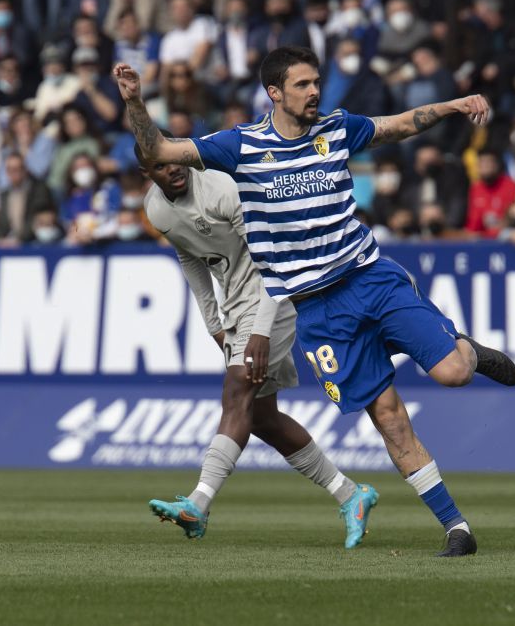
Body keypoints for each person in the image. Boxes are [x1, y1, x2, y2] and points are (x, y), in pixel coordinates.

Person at [113, 45, 515, 557]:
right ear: (274, 93)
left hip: (369, 278)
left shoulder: (337, 128)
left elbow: (398, 125)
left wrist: (452, 106)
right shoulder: (239, 146)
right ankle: (457, 528)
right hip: (319, 313)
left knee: (455, 373)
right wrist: (135, 102)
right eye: (302, 85)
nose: (314, 92)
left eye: (316, 82)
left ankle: (470, 352)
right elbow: (158, 153)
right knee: (389, 418)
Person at [136, 137, 378, 548]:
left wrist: (262, 330)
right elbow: (190, 259)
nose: (172, 168)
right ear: (148, 173)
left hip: (276, 290)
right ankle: (351, 494)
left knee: (237, 391)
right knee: (261, 416)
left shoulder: (222, 187)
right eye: (160, 166)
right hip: (236, 304)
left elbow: (274, 256)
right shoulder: (156, 209)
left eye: (174, 159)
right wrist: (214, 323)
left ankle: (198, 503)